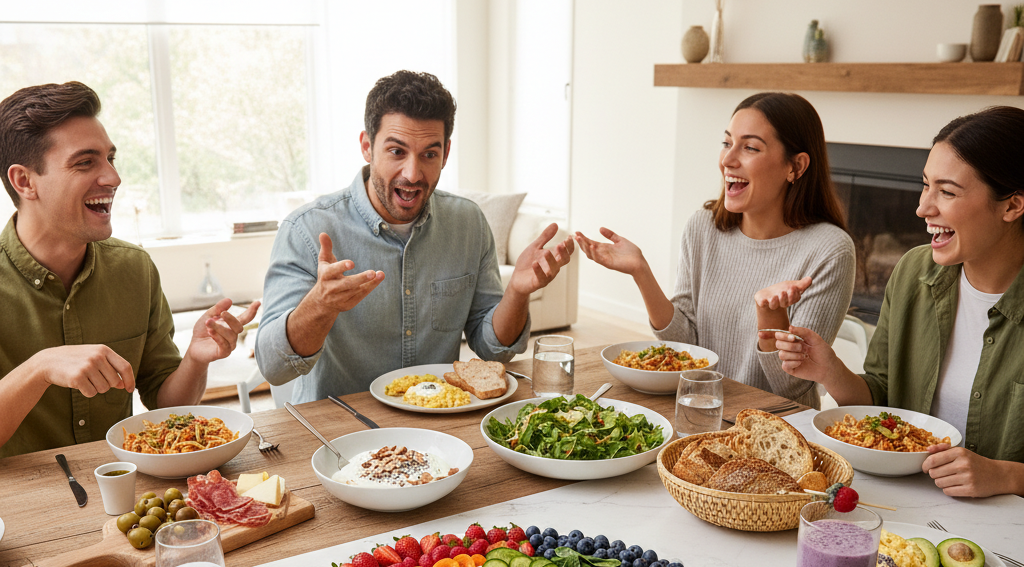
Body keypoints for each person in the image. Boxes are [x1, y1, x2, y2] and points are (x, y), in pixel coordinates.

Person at [255, 70, 574, 400]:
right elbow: (273, 367)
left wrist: (517, 293)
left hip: (438, 420)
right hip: (342, 423)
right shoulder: (306, 229)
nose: (412, 174)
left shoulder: (469, 224)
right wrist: (319, 306)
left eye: (429, 154)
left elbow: (494, 350)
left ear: (445, 153)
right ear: (367, 146)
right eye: (397, 151)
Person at [775, 106, 1024, 498]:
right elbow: (881, 397)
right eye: (925, 185)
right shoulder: (913, 271)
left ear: (1012, 205)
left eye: (947, 191)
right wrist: (830, 370)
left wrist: (1007, 476)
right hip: (904, 498)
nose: (923, 207)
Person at [0, 81, 259, 457]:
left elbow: (165, 404)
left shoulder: (134, 269)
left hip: (123, 484)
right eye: (85, 162)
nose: (113, 178)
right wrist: (40, 368)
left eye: (110, 158)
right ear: (24, 181)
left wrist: (195, 360)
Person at [575, 92, 854, 407]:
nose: (727, 160)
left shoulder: (829, 249)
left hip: (777, 424)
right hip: (699, 409)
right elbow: (685, 346)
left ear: (796, 166)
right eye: (727, 143)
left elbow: (793, 385)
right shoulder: (703, 227)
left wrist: (770, 314)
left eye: (750, 147)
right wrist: (641, 272)